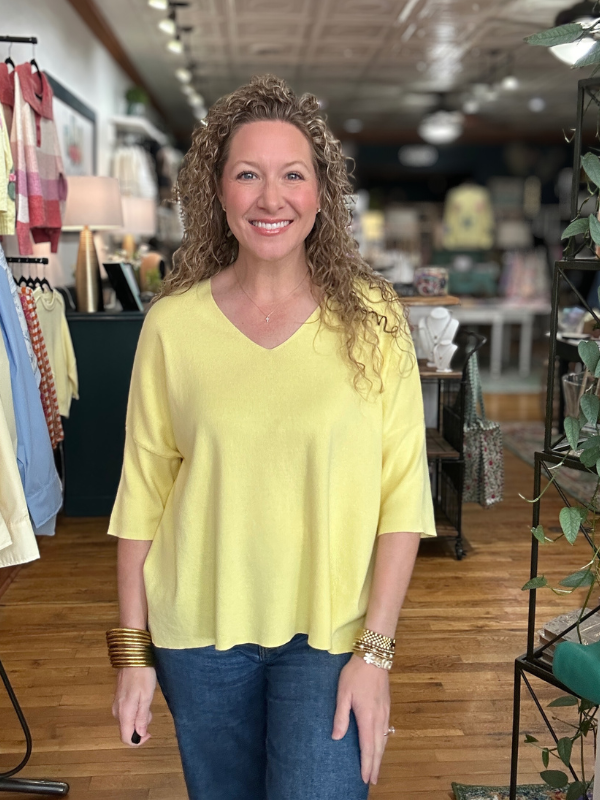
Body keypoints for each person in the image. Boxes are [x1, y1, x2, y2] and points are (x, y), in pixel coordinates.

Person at [106, 74, 436, 800]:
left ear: (322, 194)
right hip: (196, 636)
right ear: (217, 193)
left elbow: (404, 496)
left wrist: (376, 653)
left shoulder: (375, 320)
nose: (270, 197)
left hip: (331, 636)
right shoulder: (173, 324)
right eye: (247, 174)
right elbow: (142, 497)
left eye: (293, 174)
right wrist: (132, 655)